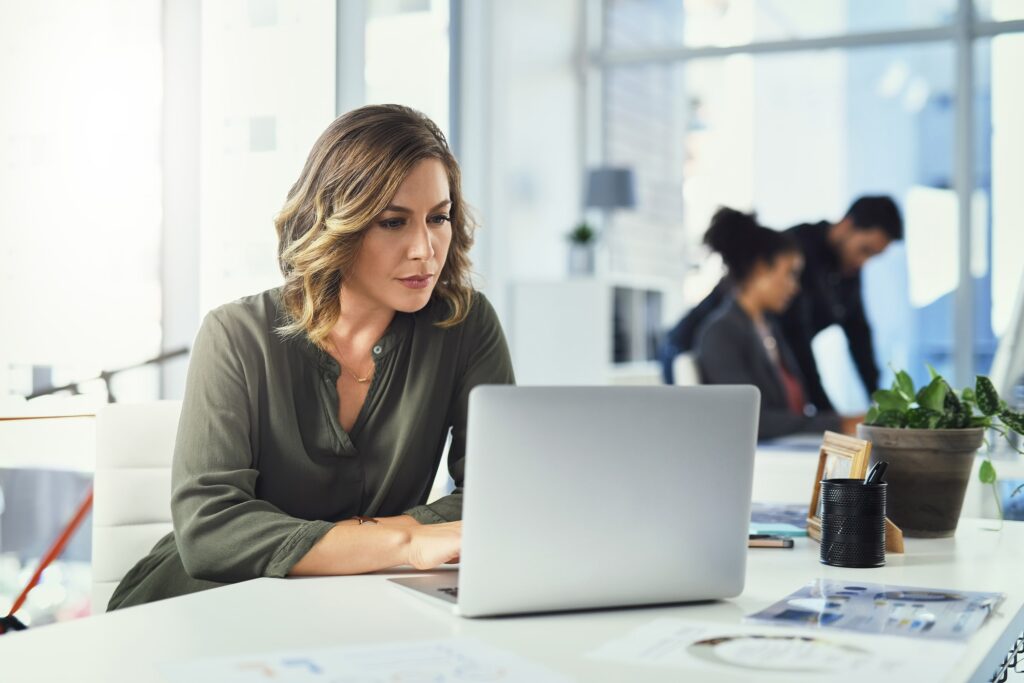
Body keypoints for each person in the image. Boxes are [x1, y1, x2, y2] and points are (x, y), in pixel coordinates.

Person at [107, 105, 515, 610]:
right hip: (212, 603)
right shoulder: (235, 334)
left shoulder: (465, 324)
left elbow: (500, 494)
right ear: (336, 223)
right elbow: (210, 531)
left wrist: (361, 543)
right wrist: (406, 541)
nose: (425, 249)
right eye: (393, 221)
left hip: (364, 602)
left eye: (439, 218)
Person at [661, 196, 902, 411]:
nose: (863, 262)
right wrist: (830, 419)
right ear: (847, 225)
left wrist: (878, 400)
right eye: (864, 250)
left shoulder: (847, 270)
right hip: (691, 347)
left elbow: (859, 333)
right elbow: (797, 339)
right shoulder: (797, 249)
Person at [693, 208, 861, 440]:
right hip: (768, 462)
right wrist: (838, 423)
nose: (795, 287)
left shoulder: (769, 328)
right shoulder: (722, 332)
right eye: (790, 274)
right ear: (761, 268)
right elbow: (751, 420)